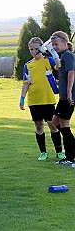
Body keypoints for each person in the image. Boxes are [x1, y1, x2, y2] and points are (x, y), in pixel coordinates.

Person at [19, 37, 64, 161]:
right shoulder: (27, 65)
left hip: (48, 99)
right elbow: (25, 83)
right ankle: (43, 152)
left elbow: (59, 66)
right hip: (34, 100)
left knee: (52, 124)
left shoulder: (48, 60)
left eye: (36, 48)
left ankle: (59, 151)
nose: (34, 51)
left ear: (41, 48)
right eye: (31, 49)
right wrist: (22, 99)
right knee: (38, 126)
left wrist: (53, 53)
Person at [50, 31, 75, 165]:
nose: (54, 47)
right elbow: (65, 74)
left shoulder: (67, 54)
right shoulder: (62, 55)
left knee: (64, 125)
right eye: (53, 44)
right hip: (63, 97)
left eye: (56, 44)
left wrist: (69, 92)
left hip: (68, 97)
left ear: (65, 43)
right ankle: (71, 153)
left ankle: (70, 157)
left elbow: (72, 72)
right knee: (55, 122)